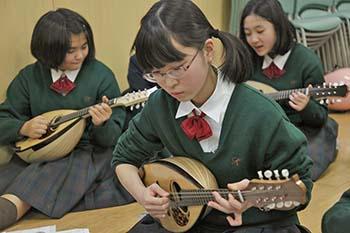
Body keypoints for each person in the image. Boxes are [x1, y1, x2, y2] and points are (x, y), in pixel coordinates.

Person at [112, 0, 313, 232]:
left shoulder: (261, 113)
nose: (169, 83)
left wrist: (251, 200)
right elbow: (123, 159)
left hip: (257, 223)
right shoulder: (160, 105)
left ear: (208, 50)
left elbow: (302, 189)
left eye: (178, 67)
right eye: (156, 73)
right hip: (190, 220)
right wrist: (143, 196)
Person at [0, 8, 133, 230]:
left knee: (47, 174)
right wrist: (23, 127)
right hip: (40, 151)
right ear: (49, 50)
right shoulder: (29, 77)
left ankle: (9, 210)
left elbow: (111, 139)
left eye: (84, 47)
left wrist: (102, 124)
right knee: (15, 174)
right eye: (71, 51)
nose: (80, 56)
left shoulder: (101, 75)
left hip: (86, 153)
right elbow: (4, 117)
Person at [239, 0, 338, 181]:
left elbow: (320, 116)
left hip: (299, 128)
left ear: (278, 27)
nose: (253, 39)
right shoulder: (249, 58)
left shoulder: (307, 61)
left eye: (260, 31)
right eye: (248, 33)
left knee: (300, 169)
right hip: (262, 128)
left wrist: (306, 106)